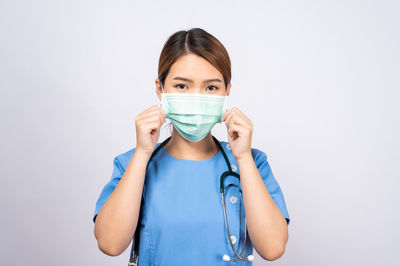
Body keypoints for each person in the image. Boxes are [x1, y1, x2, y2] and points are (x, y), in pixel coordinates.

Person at [92, 28, 290, 265]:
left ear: (227, 92)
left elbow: (273, 248)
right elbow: (110, 244)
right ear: (160, 89)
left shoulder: (252, 163)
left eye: (211, 88)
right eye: (182, 86)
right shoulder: (133, 164)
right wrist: (143, 153)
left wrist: (244, 158)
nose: (197, 97)